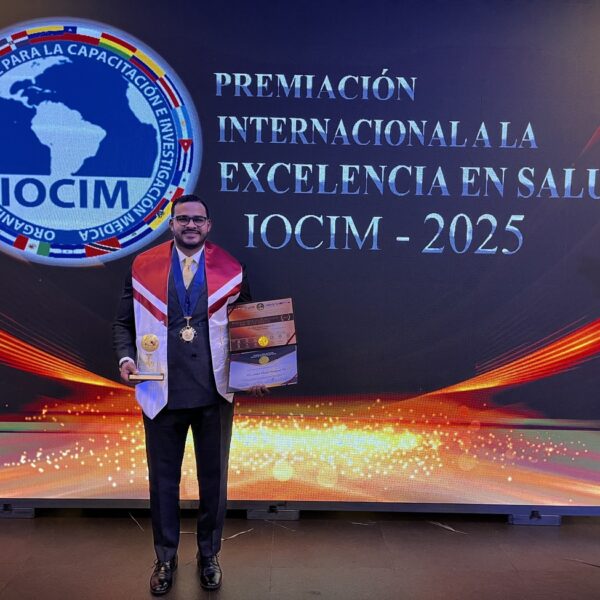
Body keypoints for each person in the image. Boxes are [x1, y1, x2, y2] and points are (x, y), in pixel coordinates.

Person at [113, 194, 263, 594]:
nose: (190, 225)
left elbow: (248, 328)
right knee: (163, 483)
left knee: (214, 482)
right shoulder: (143, 267)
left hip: (215, 393)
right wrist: (126, 358)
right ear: (172, 225)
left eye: (198, 219)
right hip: (160, 391)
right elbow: (123, 324)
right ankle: (165, 558)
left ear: (208, 225)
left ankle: (209, 555)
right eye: (183, 219)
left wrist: (256, 369)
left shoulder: (231, 270)